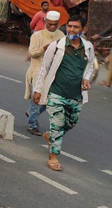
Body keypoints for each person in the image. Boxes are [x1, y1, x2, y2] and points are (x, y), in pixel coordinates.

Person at [33, 15, 94, 172]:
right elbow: (44, 68)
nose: (72, 30)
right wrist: (37, 90)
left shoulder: (88, 47)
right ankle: (53, 156)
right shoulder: (57, 46)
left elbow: (90, 67)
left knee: (71, 122)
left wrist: (86, 79)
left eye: (76, 27)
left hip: (76, 95)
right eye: (69, 26)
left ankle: (51, 135)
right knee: (58, 123)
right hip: (56, 92)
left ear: (83, 29)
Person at [24, 11, 64, 137]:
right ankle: (32, 124)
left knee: (48, 101)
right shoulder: (37, 36)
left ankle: (31, 113)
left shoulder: (61, 35)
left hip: (52, 74)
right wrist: (43, 49)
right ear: (45, 22)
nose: (52, 27)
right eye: (50, 24)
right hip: (37, 71)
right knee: (36, 100)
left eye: (55, 25)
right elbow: (32, 52)